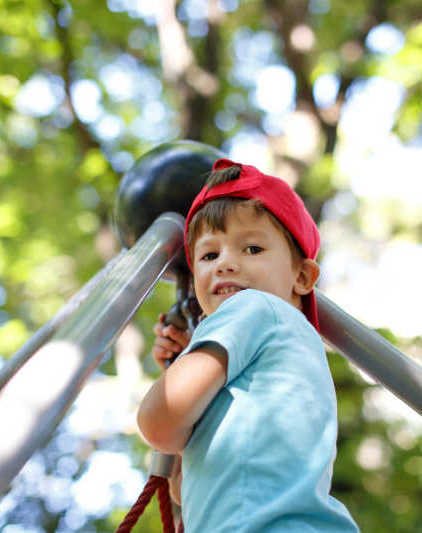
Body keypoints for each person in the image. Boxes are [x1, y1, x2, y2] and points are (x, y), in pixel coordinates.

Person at [137, 158, 360, 532]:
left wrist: (180, 374)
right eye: (209, 255)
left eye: (252, 249)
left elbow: (157, 421)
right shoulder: (283, 344)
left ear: (302, 275)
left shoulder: (254, 306)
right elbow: (182, 490)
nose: (226, 263)